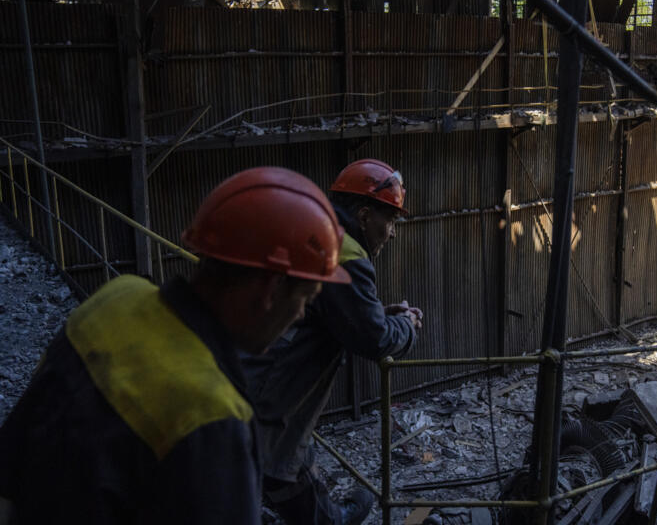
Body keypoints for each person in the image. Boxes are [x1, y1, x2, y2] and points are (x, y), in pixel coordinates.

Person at [0, 167, 351, 525]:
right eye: (305, 298)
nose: (301, 314)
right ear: (271, 289)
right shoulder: (213, 415)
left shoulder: (115, 298)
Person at [243, 158, 422, 525]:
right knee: (276, 462)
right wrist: (406, 325)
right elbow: (374, 339)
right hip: (273, 387)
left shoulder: (312, 232)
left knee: (284, 460)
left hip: (252, 371)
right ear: (363, 215)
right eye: (390, 220)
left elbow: (322, 310)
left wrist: (376, 313)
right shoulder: (347, 256)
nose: (392, 233)